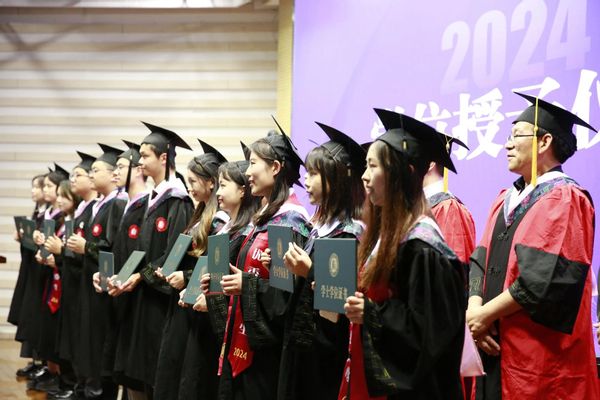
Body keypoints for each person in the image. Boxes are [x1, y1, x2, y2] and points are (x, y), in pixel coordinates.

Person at [467, 92, 600, 399]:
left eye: (517, 135)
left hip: (539, 360)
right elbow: (480, 258)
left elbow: (543, 279)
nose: (507, 144)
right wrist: (475, 312)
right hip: (493, 350)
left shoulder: (566, 197)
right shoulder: (504, 199)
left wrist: (483, 317)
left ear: (544, 142)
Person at [341, 110, 466, 399]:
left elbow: (429, 335)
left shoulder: (423, 247)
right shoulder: (387, 237)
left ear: (404, 173)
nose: (364, 176)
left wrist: (371, 313)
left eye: (373, 166)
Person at [215, 124, 311, 400]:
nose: (247, 172)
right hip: (244, 341)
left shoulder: (289, 221)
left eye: (254, 163)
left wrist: (246, 284)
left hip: (266, 355)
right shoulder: (263, 219)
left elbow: (282, 301)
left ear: (276, 167)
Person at [273, 122, 366, 400]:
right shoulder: (319, 228)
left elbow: (338, 305)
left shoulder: (349, 234)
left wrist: (310, 271)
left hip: (324, 357)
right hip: (300, 347)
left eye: (314, 174)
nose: (307, 180)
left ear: (336, 180)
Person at [115, 123, 193, 398]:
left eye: (145, 155)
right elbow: (141, 248)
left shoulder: (178, 201)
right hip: (143, 296)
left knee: (155, 370)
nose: (140, 161)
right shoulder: (152, 198)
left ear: (163, 158)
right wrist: (125, 275)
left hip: (160, 301)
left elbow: (174, 254)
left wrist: (142, 276)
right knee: (138, 371)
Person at [153, 139, 229, 400]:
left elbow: (212, 267)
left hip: (200, 307)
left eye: (194, 181)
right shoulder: (199, 215)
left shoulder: (220, 222)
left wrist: (185, 277)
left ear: (211, 183)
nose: (189, 187)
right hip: (182, 303)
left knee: (193, 377)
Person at [67, 143, 126, 399]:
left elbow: (113, 248)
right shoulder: (99, 205)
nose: (91, 175)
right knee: (87, 339)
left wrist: (87, 247)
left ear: (113, 175)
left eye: (96, 170)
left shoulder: (118, 204)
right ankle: (88, 386)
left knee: (100, 342)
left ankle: (98, 390)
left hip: (104, 286)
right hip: (89, 282)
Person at [11, 173, 47, 378]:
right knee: (30, 314)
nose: (34, 191)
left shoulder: (52, 215)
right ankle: (35, 360)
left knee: (37, 314)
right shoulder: (38, 212)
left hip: (43, 272)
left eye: (38, 187)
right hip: (32, 270)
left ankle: (42, 362)